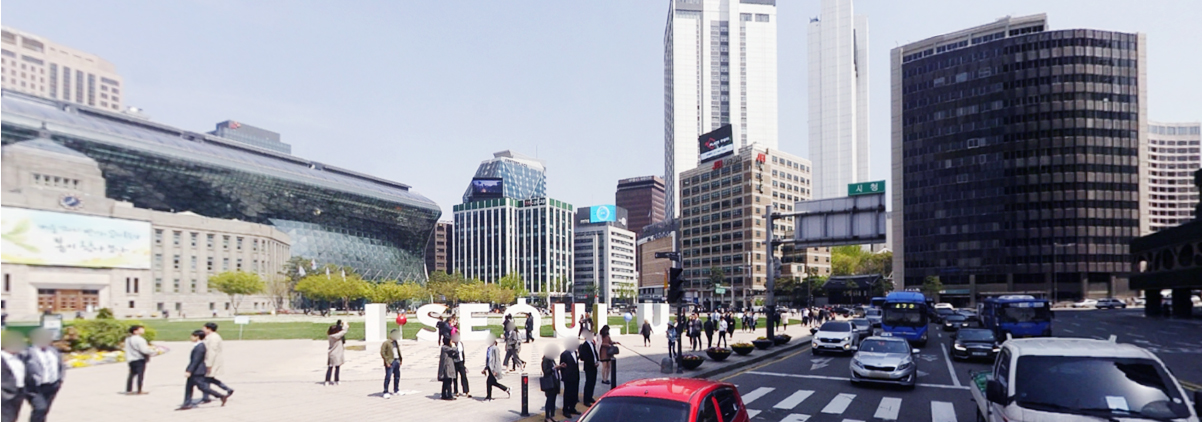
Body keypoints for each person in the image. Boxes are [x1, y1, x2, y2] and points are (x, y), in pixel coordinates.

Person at [22, 329, 64, 422]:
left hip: (52, 385)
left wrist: (60, 379)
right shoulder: (28, 352)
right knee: (40, 408)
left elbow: (61, 365)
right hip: (34, 387)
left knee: (45, 410)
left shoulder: (53, 351)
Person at [179, 330, 226, 410]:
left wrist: (189, 370)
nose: (191, 338)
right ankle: (187, 403)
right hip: (195, 370)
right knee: (189, 387)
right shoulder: (198, 346)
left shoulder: (200, 347)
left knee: (203, 387)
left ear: (197, 337)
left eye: (193, 336)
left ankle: (220, 396)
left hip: (198, 371)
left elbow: (196, 361)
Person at [200, 322, 233, 404]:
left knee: (206, 379)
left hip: (212, 361)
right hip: (211, 360)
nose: (202, 330)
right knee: (209, 379)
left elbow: (212, 351)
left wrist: (209, 364)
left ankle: (206, 397)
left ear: (209, 329)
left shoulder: (213, 338)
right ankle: (227, 389)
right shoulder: (209, 337)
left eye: (204, 328)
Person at [2, 332, 26, 422]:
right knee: (6, 417)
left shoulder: (20, 356)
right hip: (4, 393)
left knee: (13, 416)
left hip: (19, 391)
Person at [124, 325, 155, 395]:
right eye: (140, 329)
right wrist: (153, 352)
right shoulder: (140, 340)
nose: (143, 330)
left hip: (131, 358)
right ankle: (139, 389)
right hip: (139, 358)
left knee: (131, 374)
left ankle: (129, 390)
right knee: (140, 375)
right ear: (135, 331)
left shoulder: (128, 339)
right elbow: (144, 350)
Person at [540, 344, 565, 422]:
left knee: (553, 400)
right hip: (550, 383)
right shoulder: (545, 360)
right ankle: (547, 416)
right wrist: (554, 368)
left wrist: (559, 366)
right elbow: (546, 371)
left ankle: (552, 415)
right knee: (549, 400)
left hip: (555, 382)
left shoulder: (551, 359)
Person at [482, 335, 510, 401]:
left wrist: (496, 370)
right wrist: (485, 368)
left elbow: (497, 360)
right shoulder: (489, 348)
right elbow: (488, 360)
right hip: (489, 368)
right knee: (493, 383)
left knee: (489, 382)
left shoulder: (495, 348)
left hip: (493, 369)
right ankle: (507, 389)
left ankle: (489, 397)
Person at [558, 338, 581, 419]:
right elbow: (562, 366)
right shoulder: (564, 354)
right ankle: (566, 410)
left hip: (575, 376)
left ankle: (572, 407)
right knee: (568, 393)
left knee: (574, 393)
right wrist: (564, 377)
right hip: (568, 377)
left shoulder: (575, 352)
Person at [380, 329, 402, 398]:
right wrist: (387, 361)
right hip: (390, 361)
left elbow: (398, 351)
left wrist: (400, 359)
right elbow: (383, 352)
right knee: (388, 377)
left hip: (396, 360)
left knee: (397, 376)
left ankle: (396, 390)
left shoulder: (395, 342)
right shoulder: (386, 343)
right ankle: (386, 391)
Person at [578, 331, 599, 406]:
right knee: (588, 383)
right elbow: (586, 357)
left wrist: (597, 360)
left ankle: (590, 396)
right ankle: (586, 399)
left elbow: (594, 353)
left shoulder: (592, 344)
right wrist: (593, 363)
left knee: (593, 382)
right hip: (589, 367)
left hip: (594, 366)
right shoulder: (585, 345)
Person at [325, 320, 348, 386]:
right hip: (336, 353)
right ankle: (336, 380)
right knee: (336, 367)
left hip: (331, 353)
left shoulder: (330, 336)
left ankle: (327, 380)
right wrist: (345, 325)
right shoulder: (335, 336)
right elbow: (343, 332)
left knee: (330, 368)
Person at [450, 333, 470, 398]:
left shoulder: (460, 343)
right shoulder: (451, 345)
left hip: (461, 362)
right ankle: (456, 391)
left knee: (464, 376)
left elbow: (462, 353)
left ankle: (466, 390)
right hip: (454, 362)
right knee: (455, 378)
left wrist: (464, 362)